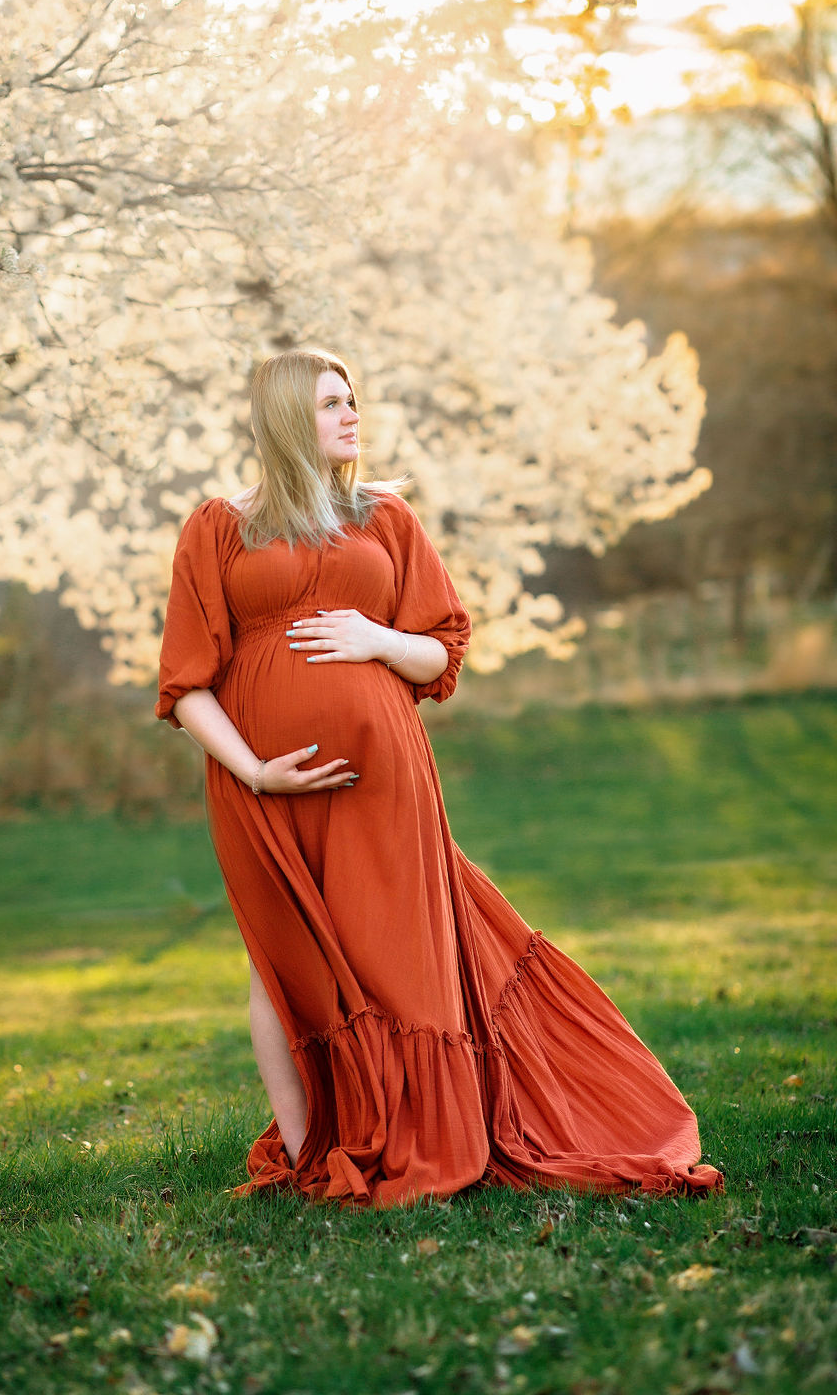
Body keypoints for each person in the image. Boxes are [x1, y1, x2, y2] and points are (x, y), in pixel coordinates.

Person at [155, 348, 724, 1208]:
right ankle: (313, 1154)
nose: (352, 415)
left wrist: (378, 642)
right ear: (281, 417)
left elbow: (441, 650)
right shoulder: (217, 527)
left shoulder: (384, 516)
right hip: (260, 784)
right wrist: (256, 772)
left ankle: (427, 1127)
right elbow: (187, 683)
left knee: (396, 948)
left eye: (353, 400)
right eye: (330, 403)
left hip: (383, 781)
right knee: (280, 959)